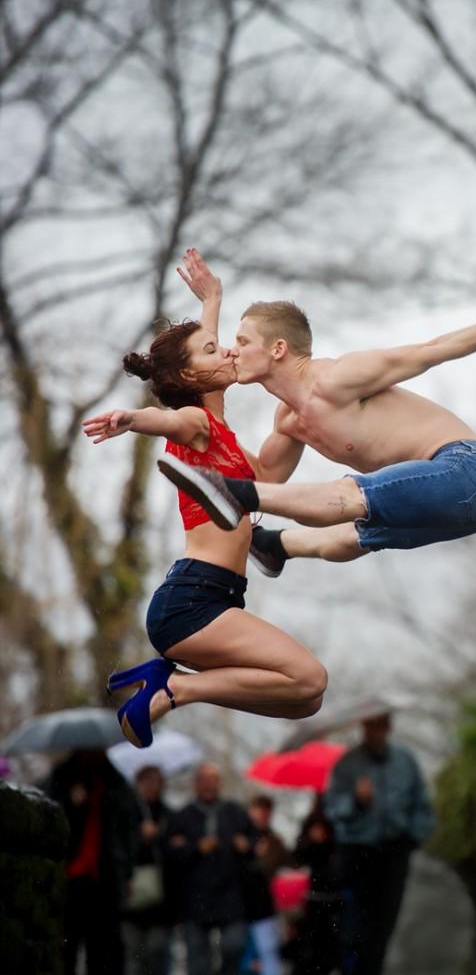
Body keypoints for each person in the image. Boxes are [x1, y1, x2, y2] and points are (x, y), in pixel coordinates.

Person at [157, 265, 476, 575]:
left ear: (278, 349)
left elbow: (432, 350)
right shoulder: (288, 422)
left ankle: (235, 496)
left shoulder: (338, 378)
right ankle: (275, 546)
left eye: (242, 342)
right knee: (359, 532)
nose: (231, 350)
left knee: (348, 496)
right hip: (463, 510)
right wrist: (208, 309)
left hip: (473, 469)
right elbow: (262, 474)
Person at [82, 249, 327, 747]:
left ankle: (170, 685)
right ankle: (173, 688)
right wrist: (132, 420)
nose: (229, 352)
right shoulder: (194, 425)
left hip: (217, 597)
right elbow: (169, 418)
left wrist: (213, 298)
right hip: (192, 601)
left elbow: (202, 356)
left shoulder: (220, 429)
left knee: (305, 698)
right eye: (216, 351)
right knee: (309, 677)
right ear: (191, 378)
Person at [324, 709, 435, 975]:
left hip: (394, 850)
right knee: (356, 919)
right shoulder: (348, 764)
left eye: (380, 726)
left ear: (388, 728)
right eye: (370, 726)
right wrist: (356, 801)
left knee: (386, 918)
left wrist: (414, 836)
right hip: (357, 850)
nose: (375, 731)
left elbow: (421, 804)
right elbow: (333, 809)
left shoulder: (405, 761)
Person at [45, 749, 139, 975]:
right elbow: (50, 819)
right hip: (72, 875)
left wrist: (127, 872)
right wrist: (71, 804)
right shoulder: (63, 777)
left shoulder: (115, 781)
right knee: (67, 942)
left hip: (104, 877)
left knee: (104, 945)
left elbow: (129, 828)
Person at [166, 763, 254, 975]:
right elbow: (171, 852)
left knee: (234, 945)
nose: (207, 784)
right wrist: (195, 848)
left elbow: (255, 842)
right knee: (197, 955)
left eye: (212, 779)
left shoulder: (234, 812)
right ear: (196, 783)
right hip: (195, 897)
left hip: (230, 895)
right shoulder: (182, 816)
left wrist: (246, 846)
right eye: (203, 779)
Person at [121, 765, 177, 975]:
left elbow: (175, 854)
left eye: (156, 782)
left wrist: (158, 838)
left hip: (161, 899)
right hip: (132, 894)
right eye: (147, 782)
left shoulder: (168, 815)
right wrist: (139, 838)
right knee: (134, 953)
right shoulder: (126, 814)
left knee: (157, 950)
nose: (151, 787)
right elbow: (119, 849)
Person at [287, 795, 341, 975]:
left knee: (331, 949)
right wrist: (311, 841)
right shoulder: (310, 823)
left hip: (336, 897)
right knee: (309, 951)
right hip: (314, 898)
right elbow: (298, 857)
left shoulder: (342, 823)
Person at [240, 794, 290, 975]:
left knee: (268, 951)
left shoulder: (275, 842)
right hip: (240, 906)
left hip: (264, 906)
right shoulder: (240, 838)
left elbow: (281, 868)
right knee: (242, 954)